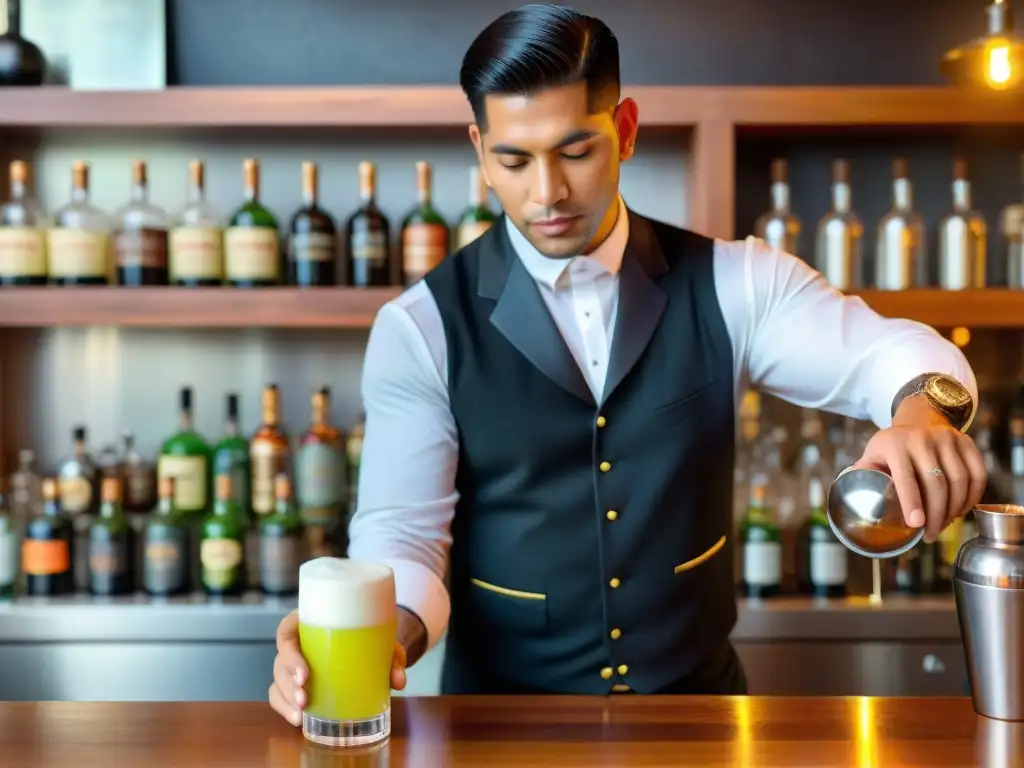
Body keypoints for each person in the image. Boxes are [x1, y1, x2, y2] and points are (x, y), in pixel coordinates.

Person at [270, 3, 985, 719]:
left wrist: (922, 412)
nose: (546, 192)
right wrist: (379, 633)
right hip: (500, 729)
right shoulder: (421, 326)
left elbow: (894, 352)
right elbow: (404, 536)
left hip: (701, 722)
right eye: (514, 159)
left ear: (627, 129)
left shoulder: (736, 282)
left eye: (575, 151)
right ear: (481, 150)